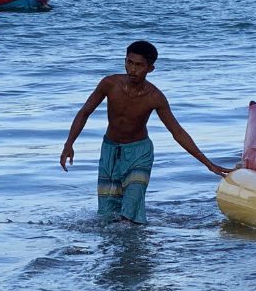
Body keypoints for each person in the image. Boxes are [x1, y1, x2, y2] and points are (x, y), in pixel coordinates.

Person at [60, 41, 233, 224]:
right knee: (107, 215)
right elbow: (85, 112)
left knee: (130, 213)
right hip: (110, 150)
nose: (133, 69)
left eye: (139, 65)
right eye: (129, 62)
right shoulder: (109, 84)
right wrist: (69, 144)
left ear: (150, 68)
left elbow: (177, 132)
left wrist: (208, 163)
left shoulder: (154, 97)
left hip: (139, 153)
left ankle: (136, 249)